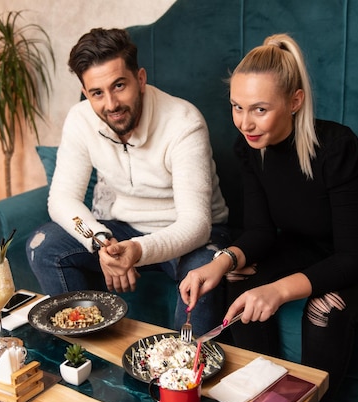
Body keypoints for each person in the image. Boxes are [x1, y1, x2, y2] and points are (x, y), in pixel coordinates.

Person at [179, 33, 358, 402]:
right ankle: (265, 396)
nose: (244, 122)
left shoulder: (338, 147)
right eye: (236, 107)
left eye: (259, 109)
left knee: (322, 309)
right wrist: (219, 262)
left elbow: (353, 256)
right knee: (237, 281)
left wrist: (277, 291)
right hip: (311, 245)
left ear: (295, 101)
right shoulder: (250, 147)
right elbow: (258, 231)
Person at [26, 28, 230, 335]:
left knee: (202, 274)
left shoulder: (184, 122)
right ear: (85, 92)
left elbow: (196, 224)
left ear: (141, 79)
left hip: (191, 237)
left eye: (119, 85)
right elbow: (61, 198)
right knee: (42, 246)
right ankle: (86, 353)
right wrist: (101, 242)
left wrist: (136, 250)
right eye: (97, 93)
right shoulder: (81, 119)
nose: (111, 104)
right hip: (121, 229)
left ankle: (185, 370)